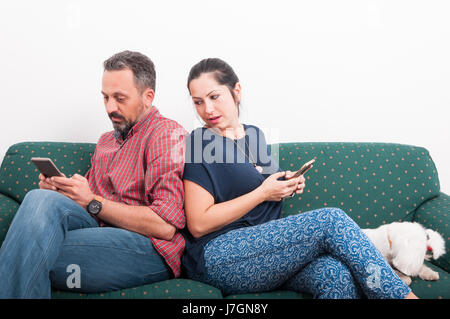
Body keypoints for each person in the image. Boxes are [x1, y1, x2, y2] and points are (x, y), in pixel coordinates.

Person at [181, 58, 418, 299]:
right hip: (220, 256)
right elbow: (198, 224)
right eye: (198, 102)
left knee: (335, 274)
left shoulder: (254, 135)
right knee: (331, 219)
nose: (207, 110)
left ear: (236, 91)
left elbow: (260, 184)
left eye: (214, 97)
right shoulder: (200, 142)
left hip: (272, 253)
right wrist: (262, 193)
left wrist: (288, 184)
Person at [0, 51, 187, 298]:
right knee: (39, 198)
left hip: (147, 247)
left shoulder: (165, 134)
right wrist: (64, 193)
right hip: (96, 231)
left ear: (147, 97)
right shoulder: (106, 141)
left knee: (22, 250)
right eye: (106, 97)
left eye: (120, 98)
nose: (110, 108)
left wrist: (91, 201)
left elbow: (164, 226)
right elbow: (89, 205)